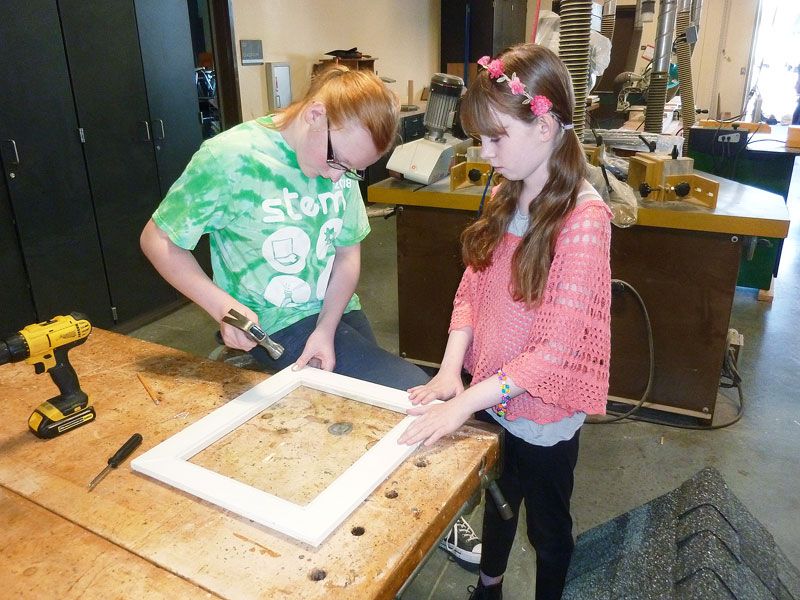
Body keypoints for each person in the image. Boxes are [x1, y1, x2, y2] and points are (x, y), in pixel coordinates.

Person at [398, 43, 612, 600]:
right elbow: (473, 287)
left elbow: (554, 353)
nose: (486, 152)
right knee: (497, 502)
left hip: (542, 416)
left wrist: (463, 404)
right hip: (492, 397)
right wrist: (450, 373)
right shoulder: (504, 191)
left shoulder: (584, 220)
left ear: (544, 126)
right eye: (480, 138)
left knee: (548, 529)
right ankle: (488, 590)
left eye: (496, 137)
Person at [140, 65, 429, 390]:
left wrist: (325, 328)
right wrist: (222, 307)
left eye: (352, 170)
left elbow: (347, 256)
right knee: (407, 390)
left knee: (384, 401)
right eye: (339, 162)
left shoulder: (339, 164)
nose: (337, 177)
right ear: (316, 115)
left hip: (336, 305)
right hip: (275, 321)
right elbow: (158, 239)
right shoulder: (230, 159)